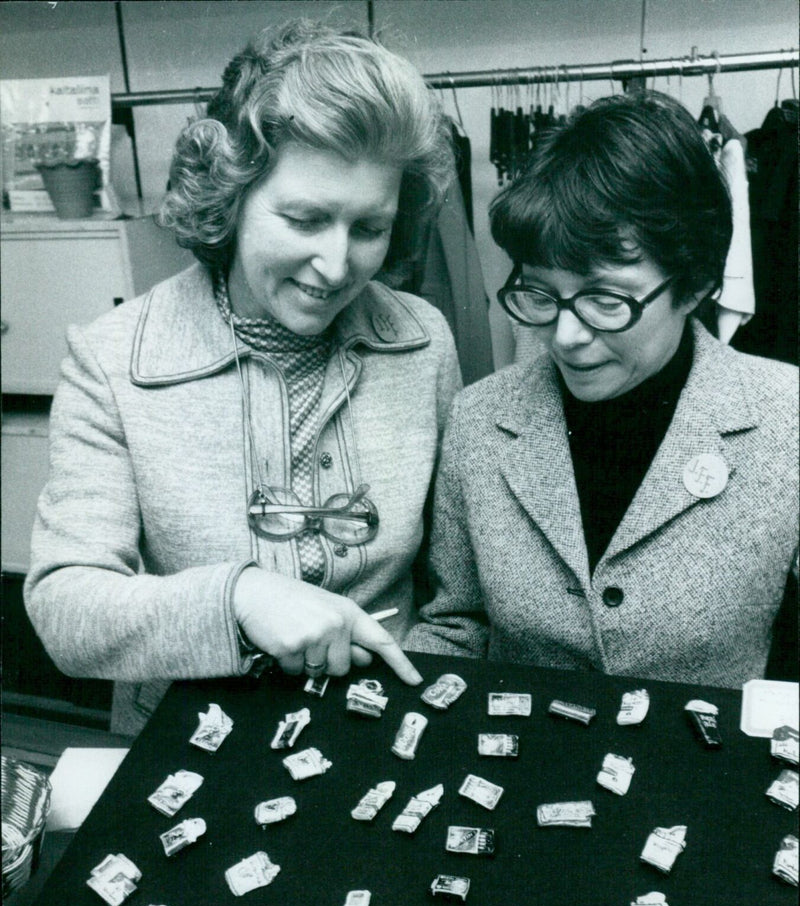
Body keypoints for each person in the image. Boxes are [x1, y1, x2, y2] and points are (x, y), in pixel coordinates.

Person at [24, 20, 461, 735]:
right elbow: (65, 608)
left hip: (384, 734)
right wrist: (238, 597)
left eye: (369, 228)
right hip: (184, 746)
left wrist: (405, 703)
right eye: (304, 219)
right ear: (228, 196)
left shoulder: (424, 342)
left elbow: (457, 589)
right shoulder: (112, 358)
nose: (335, 264)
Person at [406, 91, 798, 689]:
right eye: (540, 293)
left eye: (604, 300)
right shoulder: (480, 419)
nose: (564, 335)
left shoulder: (786, 419)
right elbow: (457, 625)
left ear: (693, 285)